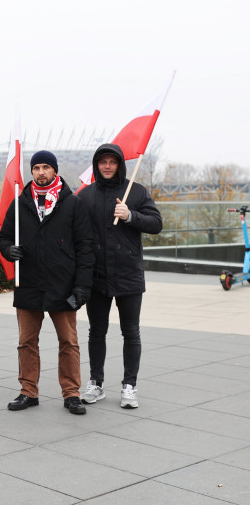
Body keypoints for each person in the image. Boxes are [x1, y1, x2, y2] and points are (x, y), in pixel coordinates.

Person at [0, 152, 94, 415]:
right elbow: (3, 237)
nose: (41, 172)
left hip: (63, 285)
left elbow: (86, 247)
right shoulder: (19, 204)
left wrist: (82, 286)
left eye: (46, 167)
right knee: (27, 342)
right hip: (28, 284)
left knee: (68, 342)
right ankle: (28, 391)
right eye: (36, 168)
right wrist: (9, 250)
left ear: (55, 170)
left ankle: (71, 393)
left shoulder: (72, 204)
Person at [76, 143, 162, 408]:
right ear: (96, 165)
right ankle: (96, 384)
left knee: (131, 332)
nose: (108, 166)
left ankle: (129, 386)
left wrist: (130, 215)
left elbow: (156, 224)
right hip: (97, 276)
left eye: (113, 162)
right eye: (103, 162)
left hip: (128, 275)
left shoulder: (135, 192)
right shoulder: (86, 196)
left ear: (120, 164)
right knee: (96, 332)